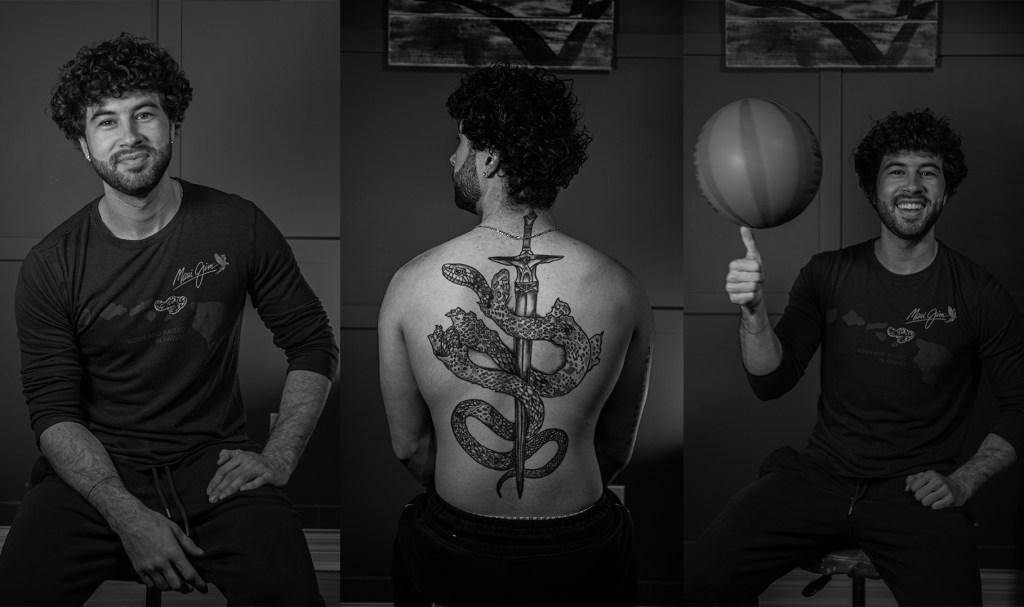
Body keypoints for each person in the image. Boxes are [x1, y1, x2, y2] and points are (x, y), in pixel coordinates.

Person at [0, 33, 338, 606]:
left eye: (144, 114)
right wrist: (127, 514)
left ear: (173, 124)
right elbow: (54, 413)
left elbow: (312, 342)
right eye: (106, 121)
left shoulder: (238, 225)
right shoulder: (52, 264)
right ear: (83, 144)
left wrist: (280, 454)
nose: (129, 136)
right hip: (95, 474)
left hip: (216, 466)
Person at [683, 108, 1024, 606]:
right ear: (872, 188)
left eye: (928, 172)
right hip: (818, 477)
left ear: (946, 190)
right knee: (702, 579)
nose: (912, 185)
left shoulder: (979, 294)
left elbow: (1021, 407)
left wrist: (962, 481)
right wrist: (753, 311)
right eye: (896, 171)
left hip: (914, 493)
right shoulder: (827, 274)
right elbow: (771, 381)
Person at [378, 62, 654, 606]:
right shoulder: (622, 287)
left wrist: (469, 497)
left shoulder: (411, 284)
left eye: (460, 143)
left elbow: (409, 446)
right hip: (581, 541)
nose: (452, 158)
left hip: (458, 541)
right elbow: (615, 447)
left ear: (488, 158)